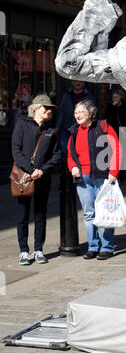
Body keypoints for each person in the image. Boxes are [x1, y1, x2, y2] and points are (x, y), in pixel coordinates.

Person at [67, 100, 121, 260]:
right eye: (75, 112)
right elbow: (70, 154)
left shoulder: (104, 127)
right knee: (89, 213)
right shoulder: (74, 131)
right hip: (83, 177)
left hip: (103, 175)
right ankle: (92, 246)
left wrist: (114, 172)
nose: (77, 115)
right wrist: (72, 167)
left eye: (80, 112)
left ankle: (107, 247)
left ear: (90, 113)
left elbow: (116, 149)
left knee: (105, 213)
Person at [11, 94, 61, 266]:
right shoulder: (22, 125)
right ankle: (24, 251)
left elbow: (56, 155)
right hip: (24, 178)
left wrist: (42, 171)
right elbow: (16, 151)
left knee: (40, 214)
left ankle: (38, 249)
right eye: (45, 107)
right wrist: (31, 170)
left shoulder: (50, 130)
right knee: (22, 215)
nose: (48, 110)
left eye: (50, 109)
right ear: (35, 109)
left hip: (43, 178)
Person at [55, 80, 94, 160]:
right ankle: (66, 170)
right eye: (76, 81)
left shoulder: (88, 96)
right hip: (66, 128)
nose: (78, 83)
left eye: (80, 81)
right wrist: (57, 127)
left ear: (84, 83)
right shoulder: (66, 95)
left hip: (82, 128)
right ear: (72, 82)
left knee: (79, 150)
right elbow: (61, 111)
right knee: (64, 150)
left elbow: (92, 112)